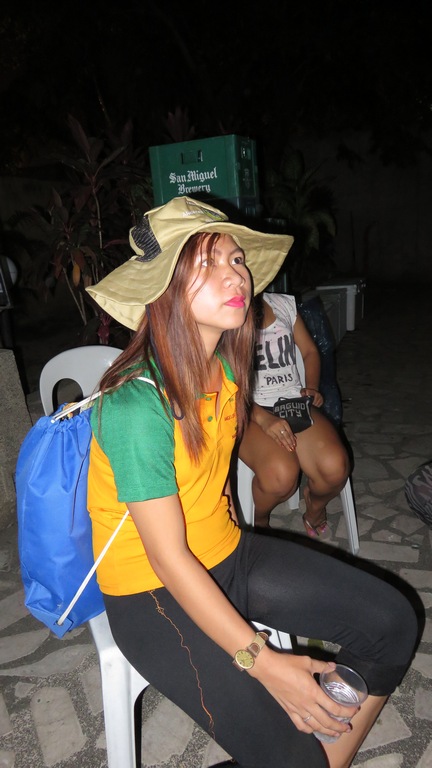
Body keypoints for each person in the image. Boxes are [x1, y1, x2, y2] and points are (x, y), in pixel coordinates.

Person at [86, 197, 417, 768]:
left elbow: (221, 461)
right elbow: (168, 559)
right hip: (154, 595)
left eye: (236, 259)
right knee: (296, 758)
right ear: (164, 289)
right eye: (207, 264)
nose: (235, 274)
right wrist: (264, 664)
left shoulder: (225, 367)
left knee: (393, 622)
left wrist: (264, 423)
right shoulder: (135, 404)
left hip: (228, 555)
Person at [239, 292, 350, 531]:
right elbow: (216, 377)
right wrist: (262, 418)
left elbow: (309, 351)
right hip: (247, 408)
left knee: (335, 468)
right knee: (280, 477)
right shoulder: (221, 311)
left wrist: (311, 387)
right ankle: (259, 522)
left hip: (293, 402)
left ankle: (314, 507)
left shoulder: (282, 303)